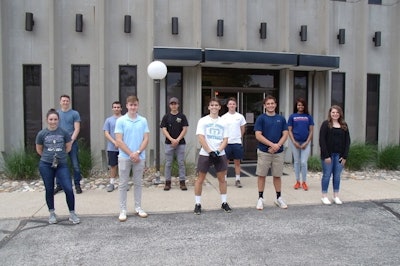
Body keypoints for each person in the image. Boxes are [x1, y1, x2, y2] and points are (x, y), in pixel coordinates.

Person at [35, 108, 80, 224]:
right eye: (51, 119)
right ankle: (52, 213)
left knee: (68, 189)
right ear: (47, 120)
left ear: (58, 120)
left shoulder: (64, 133)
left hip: (62, 165)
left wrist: (60, 155)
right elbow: (39, 149)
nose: (53, 121)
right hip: (46, 165)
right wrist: (48, 157)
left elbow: (68, 146)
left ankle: (72, 213)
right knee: (49, 189)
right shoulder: (42, 134)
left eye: (55, 119)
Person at [194, 97, 231, 215]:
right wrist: (209, 151)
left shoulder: (224, 122)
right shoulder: (203, 121)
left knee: (222, 179)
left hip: (220, 154)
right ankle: (197, 204)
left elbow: (226, 139)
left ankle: (224, 203)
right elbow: (200, 137)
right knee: (200, 179)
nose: (214, 107)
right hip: (205, 153)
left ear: (220, 107)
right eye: (212, 105)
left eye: (216, 105)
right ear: (209, 107)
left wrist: (218, 151)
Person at [115, 95, 149, 221]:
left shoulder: (143, 120)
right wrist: (131, 154)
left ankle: (138, 207)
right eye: (131, 105)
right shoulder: (121, 121)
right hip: (124, 157)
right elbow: (119, 140)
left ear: (138, 106)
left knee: (138, 183)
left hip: (139, 157)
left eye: (135, 105)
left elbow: (146, 138)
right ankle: (123, 210)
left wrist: (138, 152)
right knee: (123, 184)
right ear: (127, 106)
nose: (133, 107)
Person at [254, 95, 289, 210]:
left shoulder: (281, 118)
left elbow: (285, 134)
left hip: (278, 152)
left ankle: (278, 198)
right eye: (268, 104)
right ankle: (260, 198)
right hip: (264, 151)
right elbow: (258, 135)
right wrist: (271, 145)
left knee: (277, 175)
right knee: (261, 175)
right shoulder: (261, 118)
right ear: (265, 106)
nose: (270, 105)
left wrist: (277, 145)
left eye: (272, 103)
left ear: (275, 104)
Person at [319, 105, 350, 205]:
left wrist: (345, 156)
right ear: (330, 113)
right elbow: (322, 140)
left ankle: (336, 196)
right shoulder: (326, 124)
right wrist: (326, 156)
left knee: (337, 176)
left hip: (339, 156)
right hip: (328, 156)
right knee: (327, 175)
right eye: (333, 112)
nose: (335, 114)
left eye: (337, 112)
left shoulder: (344, 125)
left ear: (340, 114)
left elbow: (347, 142)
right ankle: (324, 196)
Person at [54, 95, 82, 194]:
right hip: (59, 144)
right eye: (63, 101)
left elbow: (77, 128)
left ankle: (77, 185)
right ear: (60, 102)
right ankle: (59, 185)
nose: (65, 102)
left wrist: (71, 140)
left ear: (69, 102)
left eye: (67, 101)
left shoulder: (74, 113)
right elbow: (54, 128)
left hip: (72, 143)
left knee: (75, 165)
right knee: (57, 164)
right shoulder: (56, 114)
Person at [160, 97, 189, 191]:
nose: (173, 105)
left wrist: (177, 140)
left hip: (181, 144)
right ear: (169, 105)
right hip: (169, 143)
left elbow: (185, 129)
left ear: (178, 105)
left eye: (175, 104)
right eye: (172, 104)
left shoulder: (182, 116)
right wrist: (172, 139)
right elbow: (163, 129)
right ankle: (167, 183)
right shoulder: (166, 117)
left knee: (181, 163)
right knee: (168, 163)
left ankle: (182, 182)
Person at [288, 97, 314, 191]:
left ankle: (304, 182)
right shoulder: (292, 116)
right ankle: (297, 181)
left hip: (305, 142)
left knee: (303, 162)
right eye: (299, 105)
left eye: (302, 105)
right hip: (295, 142)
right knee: (297, 162)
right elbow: (289, 130)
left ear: (304, 106)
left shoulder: (309, 117)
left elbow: (311, 131)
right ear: (296, 106)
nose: (300, 106)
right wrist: (294, 142)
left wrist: (307, 142)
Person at [222, 97, 246, 188]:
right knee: (225, 162)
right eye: (230, 104)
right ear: (227, 105)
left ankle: (237, 179)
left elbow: (242, 129)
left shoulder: (240, 117)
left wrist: (238, 137)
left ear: (236, 105)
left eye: (233, 104)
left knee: (237, 162)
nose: (232, 105)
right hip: (227, 143)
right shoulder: (224, 117)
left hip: (237, 143)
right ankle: (224, 180)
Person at [103, 101, 123, 192]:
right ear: (112, 108)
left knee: (123, 166)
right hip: (112, 147)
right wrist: (114, 142)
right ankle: (112, 183)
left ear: (121, 108)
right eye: (115, 107)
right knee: (113, 165)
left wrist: (120, 143)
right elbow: (106, 133)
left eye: (118, 107)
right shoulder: (108, 120)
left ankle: (124, 183)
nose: (116, 109)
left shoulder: (124, 119)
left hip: (123, 147)